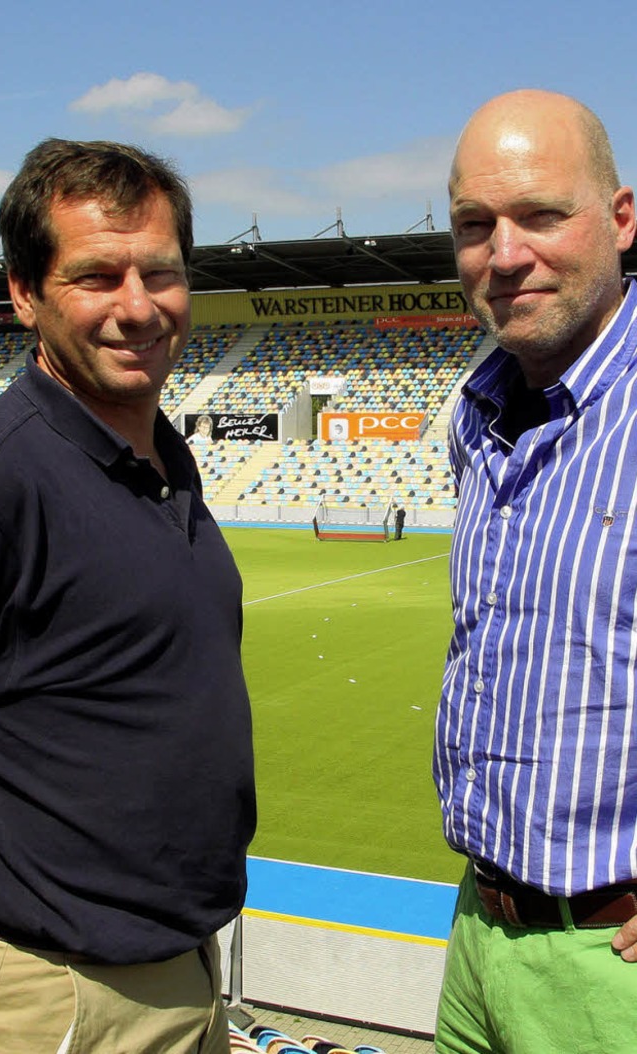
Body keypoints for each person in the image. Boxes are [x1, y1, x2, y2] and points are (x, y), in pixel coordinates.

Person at [0, 139, 256, 1053]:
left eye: (161, 272)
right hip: (63, 995)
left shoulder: (163, 455)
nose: (138, 307)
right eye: (98, 276)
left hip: (182, 972)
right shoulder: (10, 470)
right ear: (25, 292)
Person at [433, 89, 637, 1053]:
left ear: (622, 217)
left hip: (609, 966)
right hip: (478, 931)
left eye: (542, 215)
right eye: (477, 224)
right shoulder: (477, 420)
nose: (505, 254)